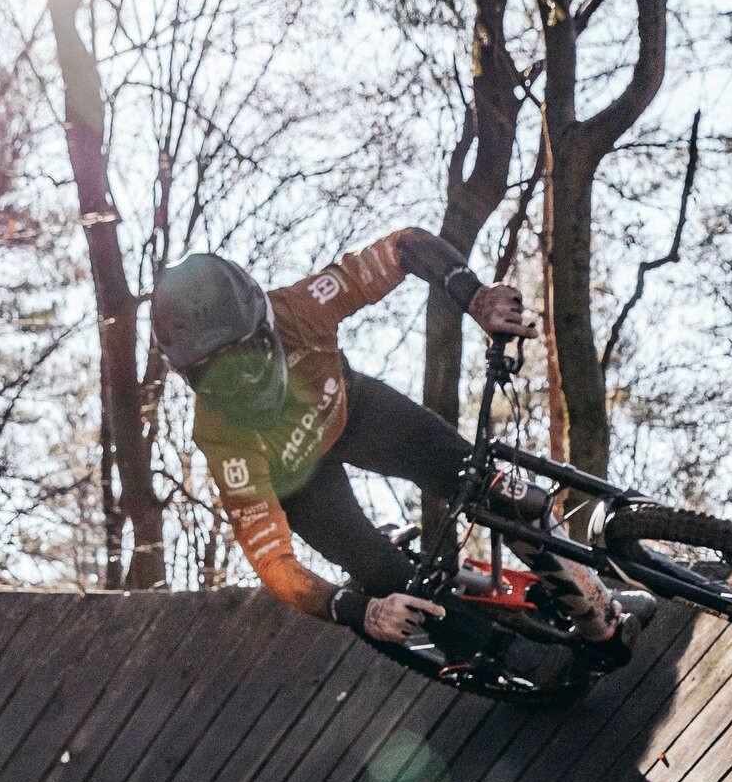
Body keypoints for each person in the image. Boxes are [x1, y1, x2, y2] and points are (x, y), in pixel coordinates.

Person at [152, 229, 619, 649]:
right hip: (300, 485)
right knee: (401, 588)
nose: (239, 380)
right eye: (211, 372)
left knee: (493, 491)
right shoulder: (220, 438)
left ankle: (597, 607)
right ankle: (493, 650)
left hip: (358, 416)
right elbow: (273, 563)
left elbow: (404, 248)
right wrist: (363, 611)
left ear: (268, 323)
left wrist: (475, 297)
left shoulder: (300, 307)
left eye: (245, 354)